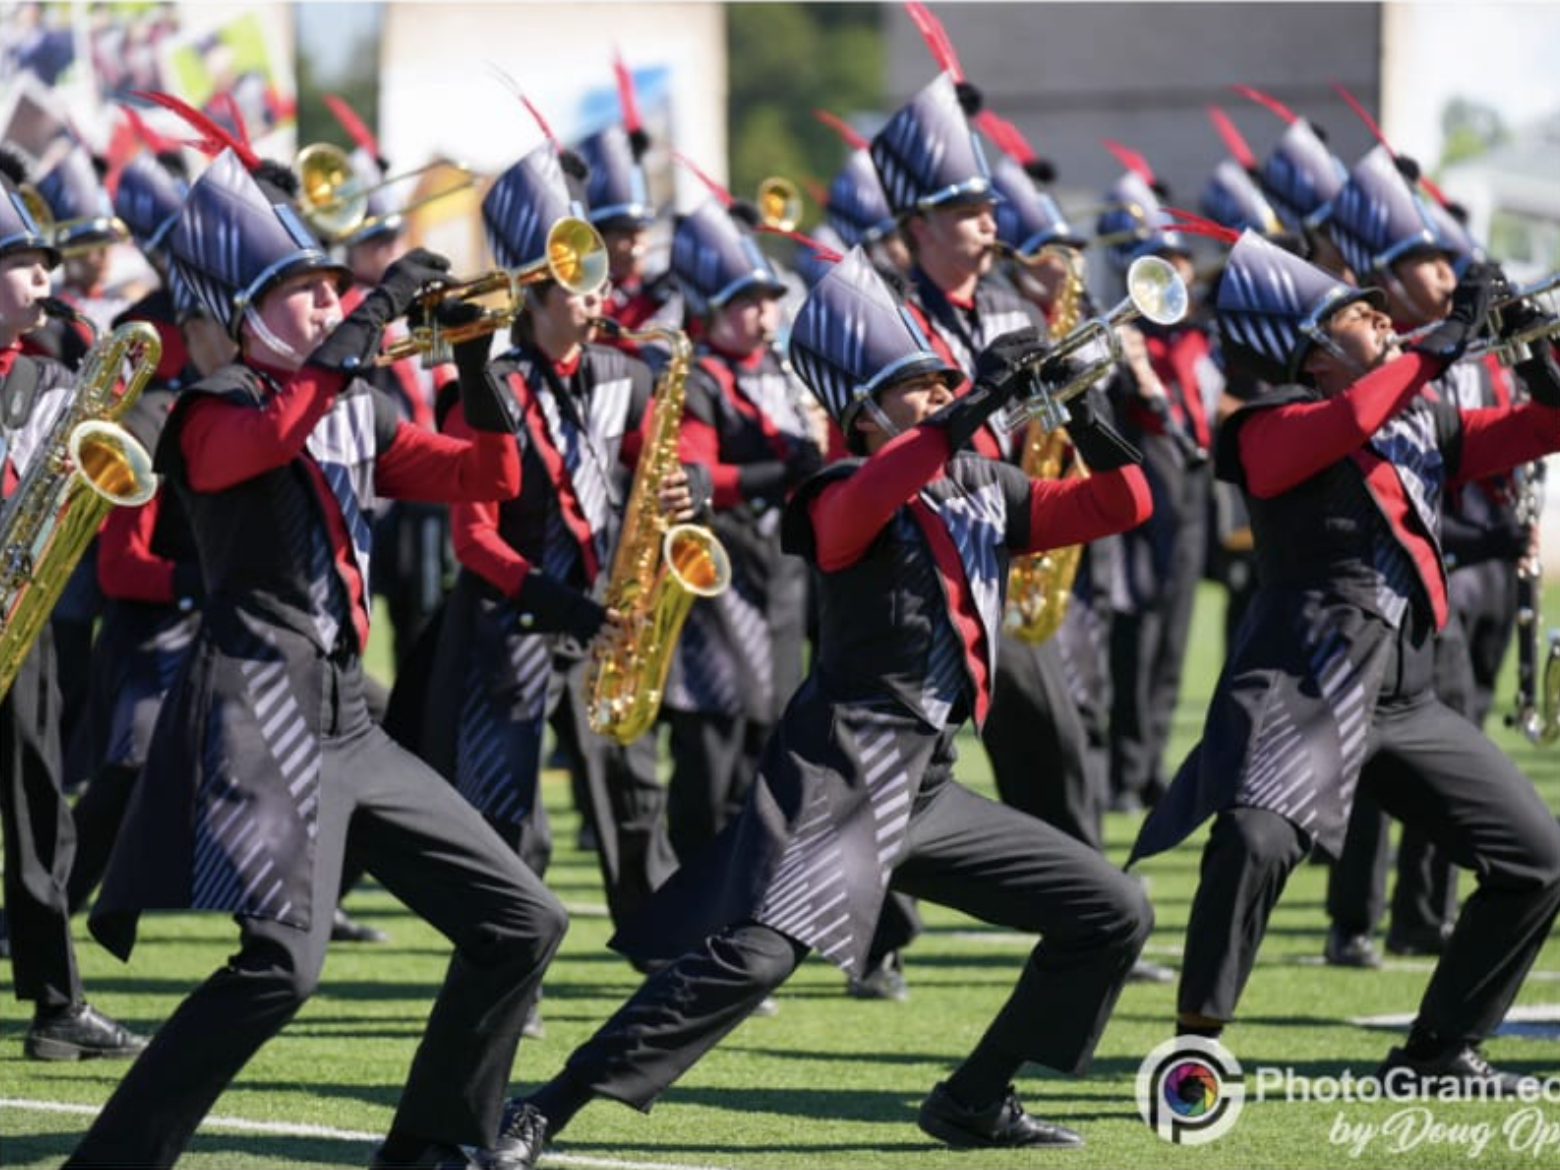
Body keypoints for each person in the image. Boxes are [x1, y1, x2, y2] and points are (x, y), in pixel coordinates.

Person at [487, 245, 1155, 1169]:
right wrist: (975, 407)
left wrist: (1077, 400)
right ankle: (543, 1109)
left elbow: (1126, 501)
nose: (939, 393)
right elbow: (877, 492)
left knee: (1111, 908)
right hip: (838, 774)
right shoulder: (839, 488)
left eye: (941, 382)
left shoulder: (983, 488)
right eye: (917, 388)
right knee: (753, 960)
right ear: (865, 414)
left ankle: (974, 1097)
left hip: (926, 781)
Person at [70, 148, 568, 1170]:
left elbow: (491, 469)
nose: (324, 304)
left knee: (523, 920)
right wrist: (376, 305)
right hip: (256, 709)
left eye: (326, 289)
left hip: (344, 711)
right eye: (300, 293)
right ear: (248, 318)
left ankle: (431, 1144)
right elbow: (269, 437)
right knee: (280, 973)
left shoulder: (352, 401)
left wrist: (472, 360)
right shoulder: (207, 408)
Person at [1132, 227, 1560, 1092]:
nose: (1386, 319)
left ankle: (1441, 1051)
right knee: (1253, 839)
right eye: (1362, 315)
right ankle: (1197, 1040)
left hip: (1403, 692)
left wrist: (1531, 344)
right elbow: (1352, 420)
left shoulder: (1422, 414)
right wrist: (1442, 344)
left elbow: (1546, 425)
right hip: (1303, 683)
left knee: (1536, 861)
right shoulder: (1267, 426)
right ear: (1318, 353)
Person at [409, 135, 682, 945]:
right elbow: (472, 538)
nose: (598, 300)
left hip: (603, 617)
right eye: (576, 287)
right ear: (533, 294)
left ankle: (658, 946)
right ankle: (506, 962)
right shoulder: (486, 390)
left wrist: (681, 491)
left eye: (597, 281)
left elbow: (656, 469)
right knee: (511, 808)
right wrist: (555, 601)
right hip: (514, 622)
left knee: (635, 795)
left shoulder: (626, 377)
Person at [0, 151, 147, 1063]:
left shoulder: (53, 381)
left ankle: (57, 1007)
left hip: (25, 625)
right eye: (24, 263)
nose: (47, 278)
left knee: (39, 812)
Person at [661, 192, 820, 865]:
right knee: (714, 751)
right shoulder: (699, 378)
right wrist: (783, 469)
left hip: (781, 580)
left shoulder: (783, 372)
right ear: (713, 310)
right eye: (747, 302)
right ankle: (696, 889)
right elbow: (694, 478)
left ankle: (753, 884)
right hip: (719, 586)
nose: (764, 314)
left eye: (768, 299)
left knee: (772, 742)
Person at [1094, 151, 1218, 815]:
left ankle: (1151, 767)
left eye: (1181, 263)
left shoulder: (1199, 339)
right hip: (1145, 495)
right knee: (1132, 639)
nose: (1178, 276)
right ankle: (1123, 766)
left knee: (1172, 637)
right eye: (1160, 265)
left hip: (1192, 492)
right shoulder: (1124, 340)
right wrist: (1127, 366)